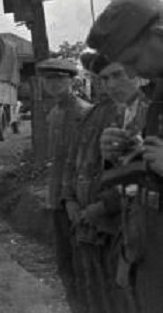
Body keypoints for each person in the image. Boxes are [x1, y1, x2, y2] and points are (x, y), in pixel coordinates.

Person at [87, 0, 163, 313]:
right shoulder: (157, 92)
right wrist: (119, 155)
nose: (133, 74)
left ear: (158, 36)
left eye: (132, 62)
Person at [61, 52, 143, 313]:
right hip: (88, 222)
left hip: (117, 226)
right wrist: (69, 200)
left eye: (116, 75)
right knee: (91, 294)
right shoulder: (92, 115)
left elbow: (138, 179)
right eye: (103, 78)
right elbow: (72, 160)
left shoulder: (146, 114)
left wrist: (102, 207)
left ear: (137, 74)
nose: (109, 84)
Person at [37, 57, 92, 311]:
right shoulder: (55, 112)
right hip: (58, 197)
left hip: (77, 199)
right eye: (49, 79)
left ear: (72, 81)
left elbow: (83, 160)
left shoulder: (83, 112)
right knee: (65, 265)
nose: (54, 84)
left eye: (60, 79)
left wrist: (72, 198)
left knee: (83, 265)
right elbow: (56, 160)